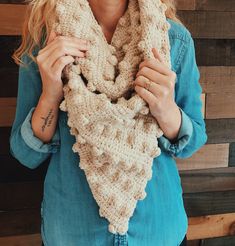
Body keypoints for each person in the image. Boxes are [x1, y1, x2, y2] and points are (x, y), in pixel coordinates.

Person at [9, 0, 207, 245]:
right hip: (74, 235)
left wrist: (166, 109)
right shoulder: (48, 40)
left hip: (157, 232)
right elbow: (25, 153)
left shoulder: (173, 39)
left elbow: (193, 140)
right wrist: (50, 94)